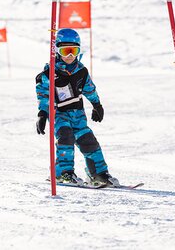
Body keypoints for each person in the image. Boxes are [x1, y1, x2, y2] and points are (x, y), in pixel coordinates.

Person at [35, 28, 120, 187]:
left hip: (78, 115)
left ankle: (97, 173)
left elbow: (89, 89)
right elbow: (43, 96)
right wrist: (42, 114)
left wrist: (96, 104)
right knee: (66, 136)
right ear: (56, 51)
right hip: (59, 114)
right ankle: (63, 172)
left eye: (73, 51)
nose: (69, 56)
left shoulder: (81, 71)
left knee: (88, 141)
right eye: (65, 51)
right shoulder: (48, 75)